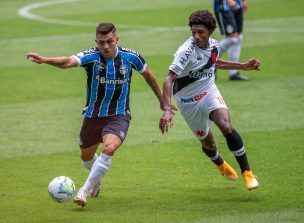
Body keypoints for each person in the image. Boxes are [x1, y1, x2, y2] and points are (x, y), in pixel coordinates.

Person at [27, 22, 169, 207]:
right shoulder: (91, 57)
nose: (106, 46)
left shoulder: (131, 57)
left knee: (109, 148)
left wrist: (163, 102)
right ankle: (97, 181)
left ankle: (83, 190)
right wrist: (46, 60)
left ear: (117, 39)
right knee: (86, 157)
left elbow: (149, 75)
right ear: (96, 41)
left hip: (119, 114)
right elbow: (68, 62)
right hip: (93, 115)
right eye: (101, 42)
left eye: (110, 41)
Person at [159, 10, 260, 191]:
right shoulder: (186, 51)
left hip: (208, 91)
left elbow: (214, 62)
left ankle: (248, 172)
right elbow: (169, 79)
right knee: (208, 143)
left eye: (201, 32)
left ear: (210, 31)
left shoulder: (214, 45)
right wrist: (167, 108)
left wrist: (243, 66)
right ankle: (220, 163)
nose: (196, 36)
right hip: (188, 101)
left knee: (226, 126)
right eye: (193, 32)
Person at [214, 0, 248, 80]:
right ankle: (210, 59)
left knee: (238, 37)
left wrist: (244, 1)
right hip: (224, 5)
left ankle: (233, 73)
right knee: (232, 38)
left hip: (237, 4)